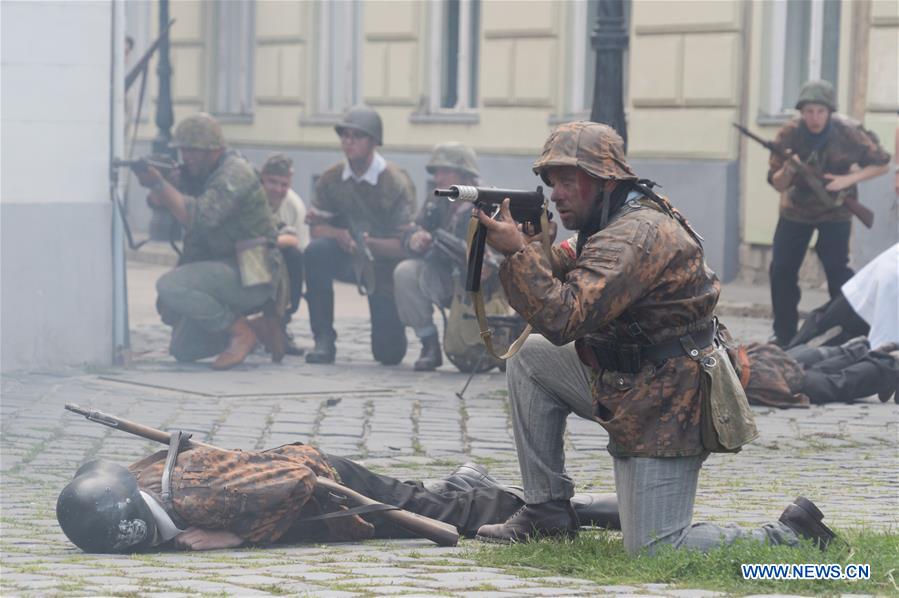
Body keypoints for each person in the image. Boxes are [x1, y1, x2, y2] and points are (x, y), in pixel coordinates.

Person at [472, 121, 836, 554]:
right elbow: (567, 263)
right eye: (552, 183)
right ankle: (546, 509)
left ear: (605, 181)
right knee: (529, 358)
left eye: (569, 181)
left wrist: (517, 253)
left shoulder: (635, 234)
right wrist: (530, 247)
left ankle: (789, 537)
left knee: (654, 546)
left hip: (670, 401)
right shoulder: (611, 221)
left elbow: (564, 317)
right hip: (629, 382)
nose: (557, 194)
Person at [56, 442, 619, 553]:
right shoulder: (138, 480)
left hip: (333, 489)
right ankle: (462, 480)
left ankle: (576, 511)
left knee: (447, 516)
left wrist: (237, 534)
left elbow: (301, 476)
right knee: (427, 499)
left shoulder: (202, 497)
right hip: (307, 502)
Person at [134, 113, 285, 370]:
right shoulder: (200, 172)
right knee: (184, 349)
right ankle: (257, 329)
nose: (186, 157)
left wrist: (160, 184)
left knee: (171, 286)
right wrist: (160, 187)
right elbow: (159, 204)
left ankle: (240, 333)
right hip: (223, 266)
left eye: (192, 150)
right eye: (183, 150)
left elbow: (200, 217)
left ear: (214, 149)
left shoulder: (235, 173)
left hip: (254, 272)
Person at [767, 80, 891, 347]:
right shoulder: (789, 134)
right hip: (795, 211)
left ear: (830, 111)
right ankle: (784, 335)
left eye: (820, 111)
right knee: (781, 270)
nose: (814, 118)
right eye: (809, 111)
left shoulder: (848, 131)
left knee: (838, 271)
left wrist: (848, 180)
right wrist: (790, 170)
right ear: (801, 112)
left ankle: (848, 330)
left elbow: (882, 164)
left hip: (836, 211)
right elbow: (776, 183)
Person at [304, 106, 416, 365]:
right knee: (316, 252)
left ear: (374, 141)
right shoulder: (331, 178)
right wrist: (337, 234)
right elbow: (316, 229)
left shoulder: (396, 182)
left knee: (389, 354)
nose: (348, 141)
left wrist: (370, 245)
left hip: (383, 267)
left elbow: (404, 245)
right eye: (344, 135)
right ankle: (323, 338)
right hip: (346, 256)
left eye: (357, 136)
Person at [394, 142, 508, 371]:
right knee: (405, 273)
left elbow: (507, 249)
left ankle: (497, 344)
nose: (438, 177)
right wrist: (416, 239)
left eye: (444, 171)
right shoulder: (437, 200)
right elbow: (412, 229)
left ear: (464, 174)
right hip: (443, 276)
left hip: (480, 285)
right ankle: (429, 345)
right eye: (436, 171)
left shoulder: (490, 203)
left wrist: (490, 262)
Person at [789, 243, 898, 349]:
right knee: (823, 332)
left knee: (825, 332)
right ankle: (788, 356)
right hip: (872, 291)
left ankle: (790, 356)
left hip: (871, 290)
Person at [736, 337, 898, 408]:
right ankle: (860, 353)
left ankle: (888, 366)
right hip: (749, 360)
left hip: (753, 374)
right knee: (807, 371)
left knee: (832, 385)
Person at [259, 153, 310, 356]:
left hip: (278, 260)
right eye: (272, 182)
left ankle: (281, 323)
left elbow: (299, 244)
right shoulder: (252, 198)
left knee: (294, 259)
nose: (278, 190)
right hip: (246, 256)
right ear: (262, 178)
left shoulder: (294, 206)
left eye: (284, 184)